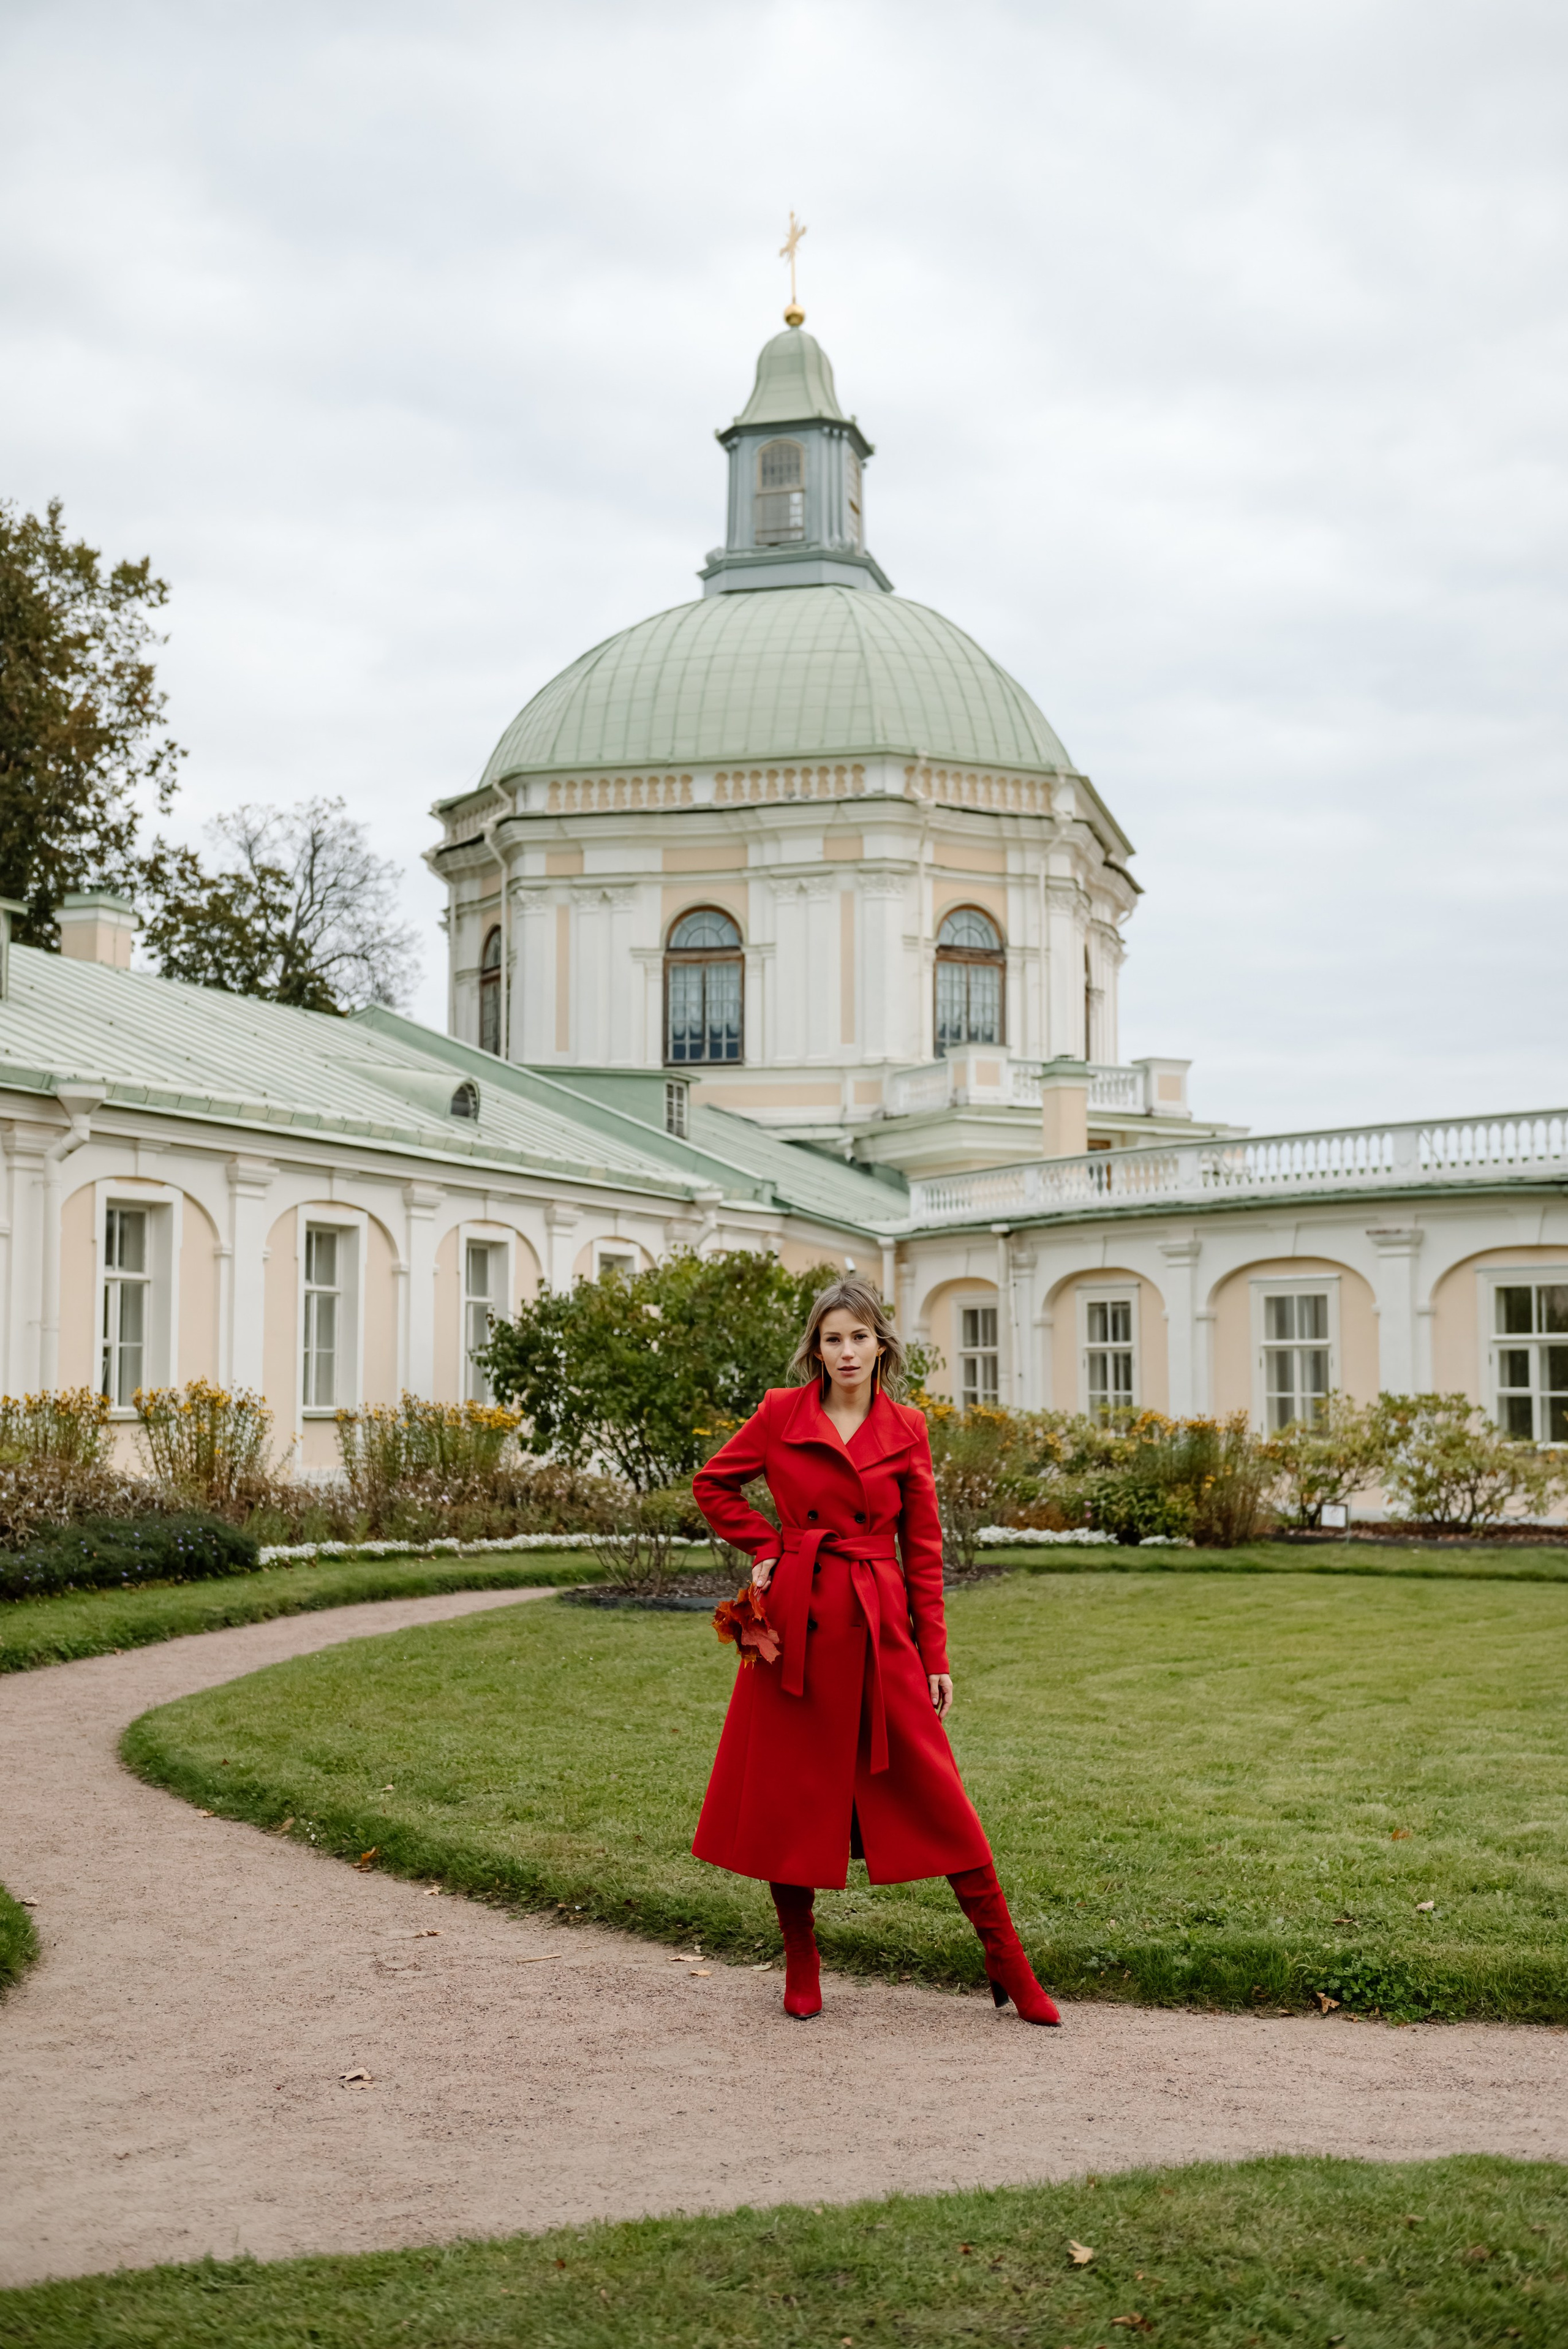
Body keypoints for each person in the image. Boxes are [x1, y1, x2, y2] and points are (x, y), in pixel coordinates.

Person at [690, 1276, 1060, 2026]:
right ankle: (801, 1954)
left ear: (881, 1344)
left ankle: (1006, 1957)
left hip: (881, 1622)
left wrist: (935, 1655)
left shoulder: (908, 1426)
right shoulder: (778, 1413)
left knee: (935, 1790)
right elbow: (713, 1485)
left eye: (859, 1336)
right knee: (787, 1796)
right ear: (816, 1350)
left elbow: (923, 1549)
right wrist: (772, 1547)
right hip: (798, 1627)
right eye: (832, 1339)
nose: (846, 1351)